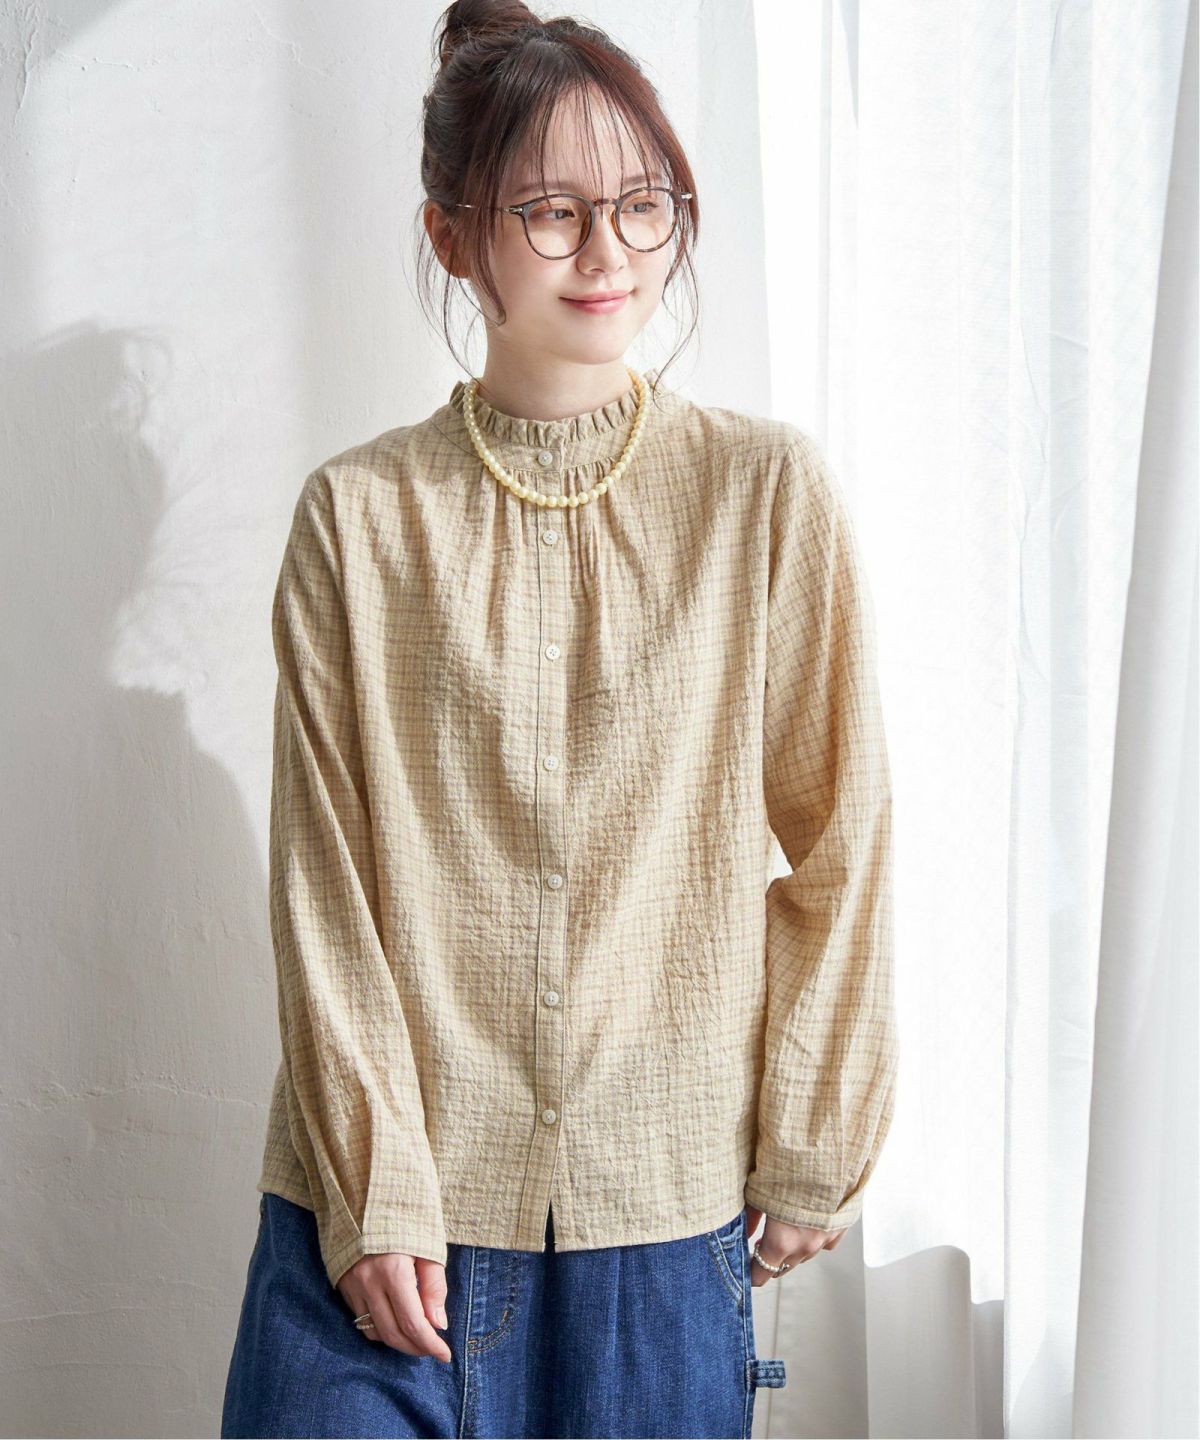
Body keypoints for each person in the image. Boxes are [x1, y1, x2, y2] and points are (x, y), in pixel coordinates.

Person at [220, 2, 898, 1436]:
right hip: (385, 1225)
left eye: (644, 204)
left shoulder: (765, 498)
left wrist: (817, 1130)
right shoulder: (358, 519)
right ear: (454, 236)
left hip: (659, 1230)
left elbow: (844, 837)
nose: (608, 252)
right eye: (552, 211)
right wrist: (374, 1185)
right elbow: (323, 884)